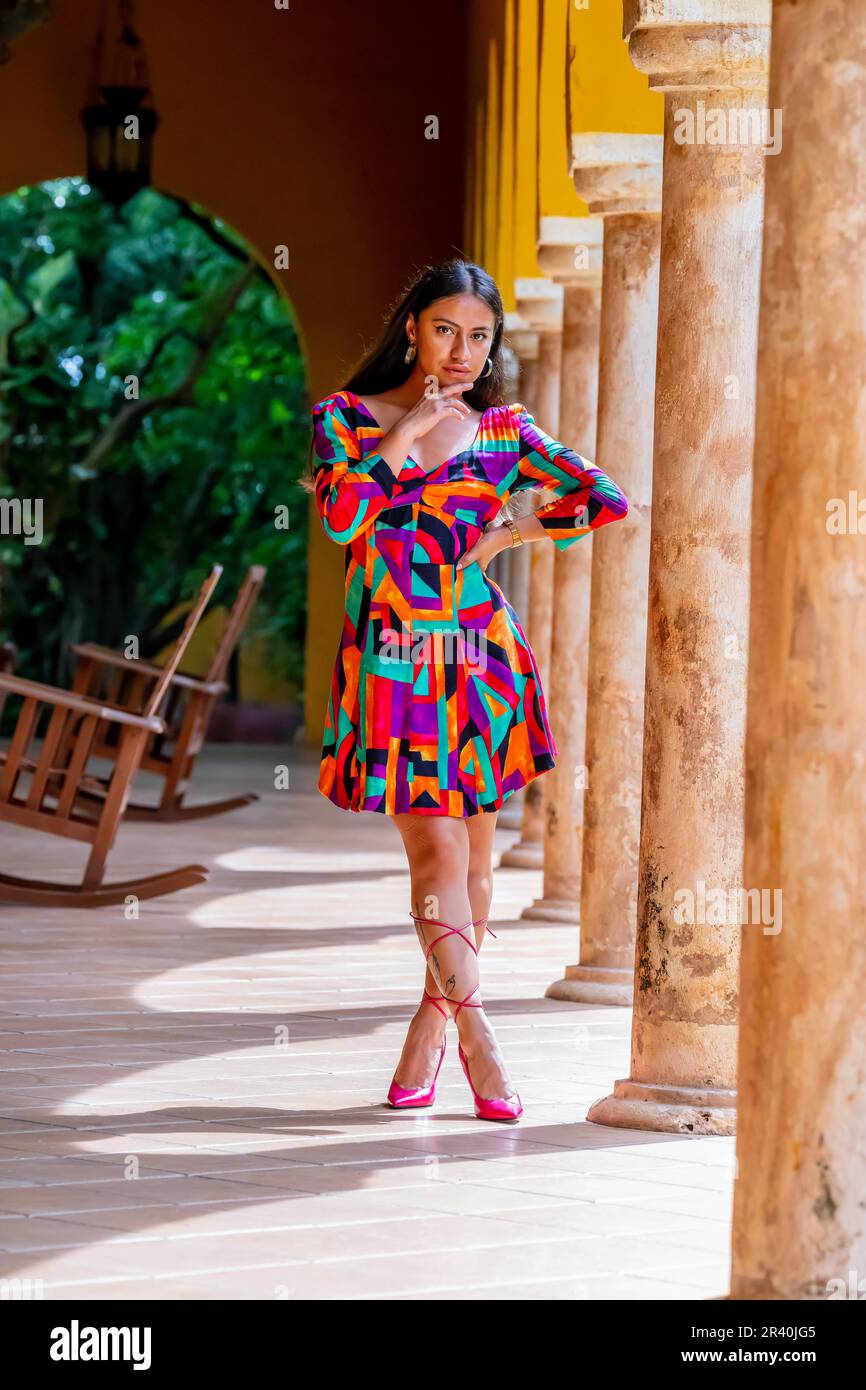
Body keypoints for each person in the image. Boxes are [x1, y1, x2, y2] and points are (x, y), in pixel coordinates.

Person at [302, 258, 628, 1122]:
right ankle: (477, 1029)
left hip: (480, 660)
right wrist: (403, 439)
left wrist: (514, 530)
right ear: (411, 327)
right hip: (393, 660)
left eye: (478, 337)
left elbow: (604, 497)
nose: (461, 351)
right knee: (437, 854)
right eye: (445, 329)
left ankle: (429, 1022)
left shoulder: (505, 430)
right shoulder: (347, 419)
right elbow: (341, 517)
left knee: (479, 861)